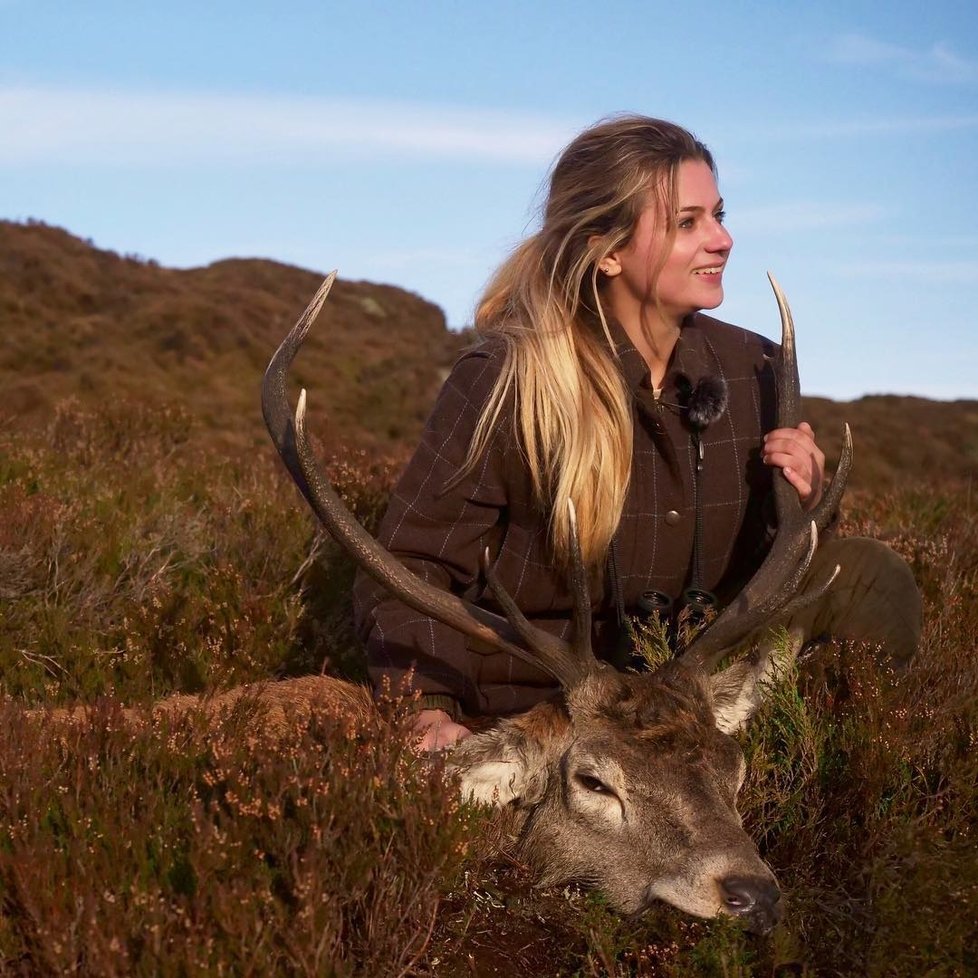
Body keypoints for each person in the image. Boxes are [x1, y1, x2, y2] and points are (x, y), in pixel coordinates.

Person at [353, 115, 922, 752]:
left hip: (692, 697)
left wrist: (808, 503)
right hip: (547, 709)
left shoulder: (755, 368)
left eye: (718, 213)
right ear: (609, 251)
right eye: (687, 222)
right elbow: (410, 564)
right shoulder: (506, 382)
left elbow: (770, 569)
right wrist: (426, 705)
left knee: (868, 578)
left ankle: (821, 784)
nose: (723, 239)